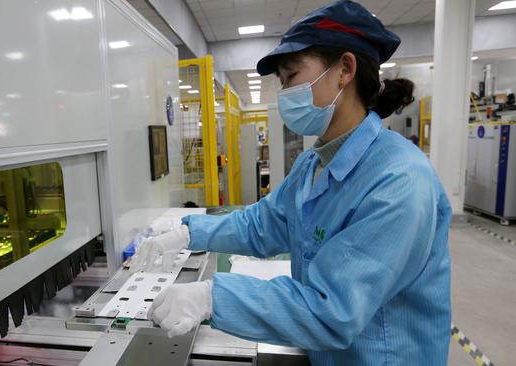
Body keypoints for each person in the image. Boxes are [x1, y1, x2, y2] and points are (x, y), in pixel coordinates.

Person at [131, 1, 452, 364]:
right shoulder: (312, 163)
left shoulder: (398, 182)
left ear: (344, 69)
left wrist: (212, 297)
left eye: (291, 76)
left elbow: (333, 311)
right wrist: (189, 233)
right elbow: (262, 224)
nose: (284, 93)